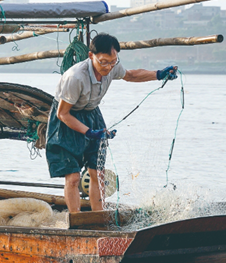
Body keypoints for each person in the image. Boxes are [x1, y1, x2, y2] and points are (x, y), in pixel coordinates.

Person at [46, 33, 178, 213]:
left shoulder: (112, 66)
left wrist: (158, 74)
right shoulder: (75, 77)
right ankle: (76, 219)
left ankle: (98, 215)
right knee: (74, 177)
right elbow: (62, 113)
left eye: (112, 61)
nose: (108, 67)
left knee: (98, 173)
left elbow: (131, 75)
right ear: (91, 56)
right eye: (103, 62)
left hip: (92, 113)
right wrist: (89, 132)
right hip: (68, 118)